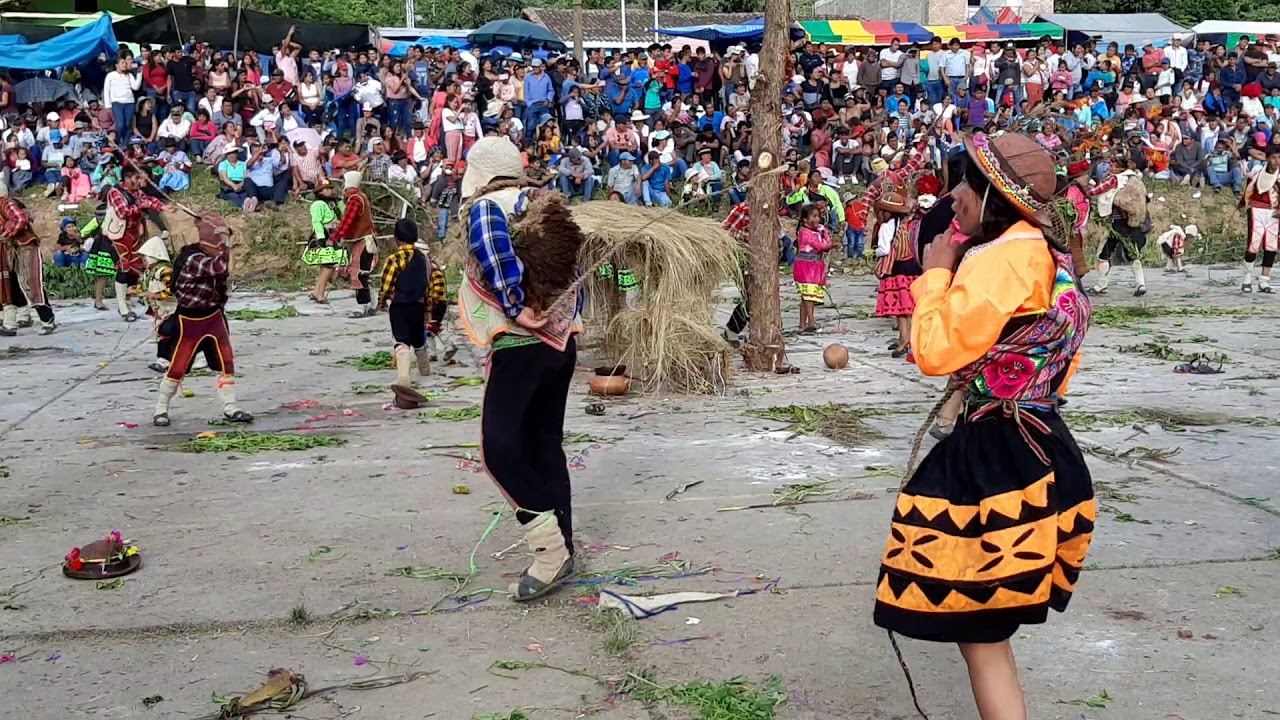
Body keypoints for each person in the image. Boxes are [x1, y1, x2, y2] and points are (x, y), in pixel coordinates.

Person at [874, 131, 1094, 720]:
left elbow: (933, 351)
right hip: (1043, 444)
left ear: (993, 195)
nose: (954, 198)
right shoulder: (1049, 253)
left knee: (981, 630)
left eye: (966, 185)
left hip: (999, 458)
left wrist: (936, 274)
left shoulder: (999, 258)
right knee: (985, 634)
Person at [457, 136, 585, 602]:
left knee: (500, 450)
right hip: (561, 344)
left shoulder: (487, 207)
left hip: (519, 344)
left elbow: (494, 252)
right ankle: (564, 543)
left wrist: (515, 304)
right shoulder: (546, 205)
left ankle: (549, 551)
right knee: (544, 444)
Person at [153, 214, 253, 427]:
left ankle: (230, 407)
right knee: (178, 366)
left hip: (214, 317)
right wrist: (225, 242)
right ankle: (161, 408)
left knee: (226, 362)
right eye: (219, 244)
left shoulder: (208, 256)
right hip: (190, 321)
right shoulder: (193, 259)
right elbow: (219, 268)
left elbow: (223, 272)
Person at [377, 218, 432, 407]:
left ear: (396, 238)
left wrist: (382, 301)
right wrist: (428, 308)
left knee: (401, 341)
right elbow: (428, 284)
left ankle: (403, 377)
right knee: (418, 338)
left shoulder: (394, 259)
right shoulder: (424, 259)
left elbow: (386, 285)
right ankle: (425, 370)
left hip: (400, 306)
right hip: (418, 305)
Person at [105, 166, 170, 321]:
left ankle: (139, 300)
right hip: (119, 236)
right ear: (127, 179)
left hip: (134, 234)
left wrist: (163, 207)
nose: (139, 181)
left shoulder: (136, 192)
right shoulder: (115, 192)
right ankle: (123, 307)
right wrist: (141, 206)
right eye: (136, 178)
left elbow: (149, 200)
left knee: (138, 267)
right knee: (124, 268)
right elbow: (123, 212)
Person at [1087, 156, 1149, 296]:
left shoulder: (1115, 179)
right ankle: (1141, 284)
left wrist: (1085, 191)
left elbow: (1096, 191)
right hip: (1130, 222)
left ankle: (1101, 284)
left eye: (1111, 165)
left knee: (1105, 253)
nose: (1109, 167)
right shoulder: (1133, 179)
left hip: (1117, 223)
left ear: (1118, 167)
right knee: (1132, 253)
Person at [872, 176, 919, 358]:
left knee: (901, 309)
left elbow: (884, 249)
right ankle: (910, 339)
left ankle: (904, 339)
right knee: (911, 307)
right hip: (911, 267)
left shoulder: (886, 227)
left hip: (896, 269)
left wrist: (875, 253)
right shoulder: (907, 225)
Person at [0, 184, 56, 335]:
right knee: (11, 282)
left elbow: (20, 219)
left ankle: (47, 319)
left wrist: (6, 234)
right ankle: (11, 323)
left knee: (31, 282)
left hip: (24, 246)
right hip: (10, 248)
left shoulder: (5, 203)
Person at [334, 171, 379, 317]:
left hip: (363, 241)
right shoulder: (361, 196)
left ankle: (362, 306)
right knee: (364, 274)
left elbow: (347, 221)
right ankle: (373, 303)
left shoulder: (354, 199)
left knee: (358, 274)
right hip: (367, 240)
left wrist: (335, 236)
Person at [1240, 150, 1280, 293]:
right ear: (1267, 159)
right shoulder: (1257, 172)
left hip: (1274, 213)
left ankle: (1264, 280)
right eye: (1273, 158)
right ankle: (1247, 278)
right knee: (1253, 245)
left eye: (1279, 158)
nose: (1277, 161)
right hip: (1257, 210)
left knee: (1271, 247)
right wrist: (1244, 204)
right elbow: (1249, 189)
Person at [793, 203, 831, 335]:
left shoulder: (819, 230)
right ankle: (811, 322)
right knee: (808, 295)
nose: (817, 219)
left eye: (818, 216)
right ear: (805, 219)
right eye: (814, 216)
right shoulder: (804, 232)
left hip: (815, 266)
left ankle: (802, 325)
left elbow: (827, 241)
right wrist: (829, 243)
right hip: (806, 266)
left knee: (807, 296)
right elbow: (821, 246)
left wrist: (825, 235)